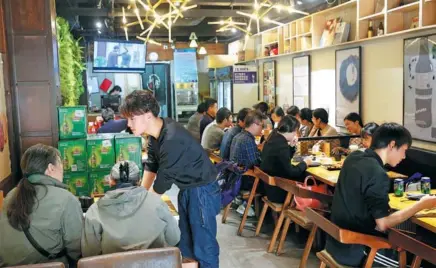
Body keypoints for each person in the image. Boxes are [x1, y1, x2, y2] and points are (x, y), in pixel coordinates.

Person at [120, 90, 220, 268]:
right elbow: (151, 166)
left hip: (202, 190)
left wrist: (141, 211)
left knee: (204, 246)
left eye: (132, 119)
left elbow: (162, 182)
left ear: (148, 115)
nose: (129, 124)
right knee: (186, 246)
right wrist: (141, 197)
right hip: (188, 189)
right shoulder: (156, 135)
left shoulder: (172, 138)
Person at [325, 123, 436, 267]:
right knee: (422, 259)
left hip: (336, 242)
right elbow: (383, 224)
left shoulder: (354, 157)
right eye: (404, 150)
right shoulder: (377, 173)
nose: (404, 156)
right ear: (392, 145)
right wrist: (421, 205)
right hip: (358, 249)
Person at [0, 144, 82, 267]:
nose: (63, 169)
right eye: (60, 164)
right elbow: (76, 250)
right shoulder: (66, 199)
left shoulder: (11, 195)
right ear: (50, 168)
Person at [82, 161, 180, 257]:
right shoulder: (157, 203)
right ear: (139, 181)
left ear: (110, 181)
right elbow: (174, 238)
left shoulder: (94, 211)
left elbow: (90, 254)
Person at [260, 116, 312, 204]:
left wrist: (291, 147)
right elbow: (291, 172)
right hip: (279, 191)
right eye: (296, 131)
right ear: (293, 130)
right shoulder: (281, 145)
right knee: (310, 179)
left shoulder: (274, 135)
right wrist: (305, 163)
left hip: (269, 187)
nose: (296, 134)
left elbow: (283, 161)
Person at [230, 110, 265, 190]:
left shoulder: (238, 136)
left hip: (235, 178)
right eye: (261, 126)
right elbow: (256, 165)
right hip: (245, 181)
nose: (262, 129)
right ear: (254, 124)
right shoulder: (247, 140)